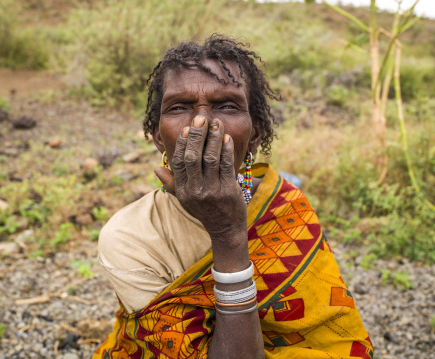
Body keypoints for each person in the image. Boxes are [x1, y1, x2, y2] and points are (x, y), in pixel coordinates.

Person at [94, 34, 373, 359]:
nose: (203, 122)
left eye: (227, 105)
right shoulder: (130, 237)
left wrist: (228, 230)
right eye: (179, 107)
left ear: (254, 134)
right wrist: (228, 237)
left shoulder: (283, 206)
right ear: (158, 137)